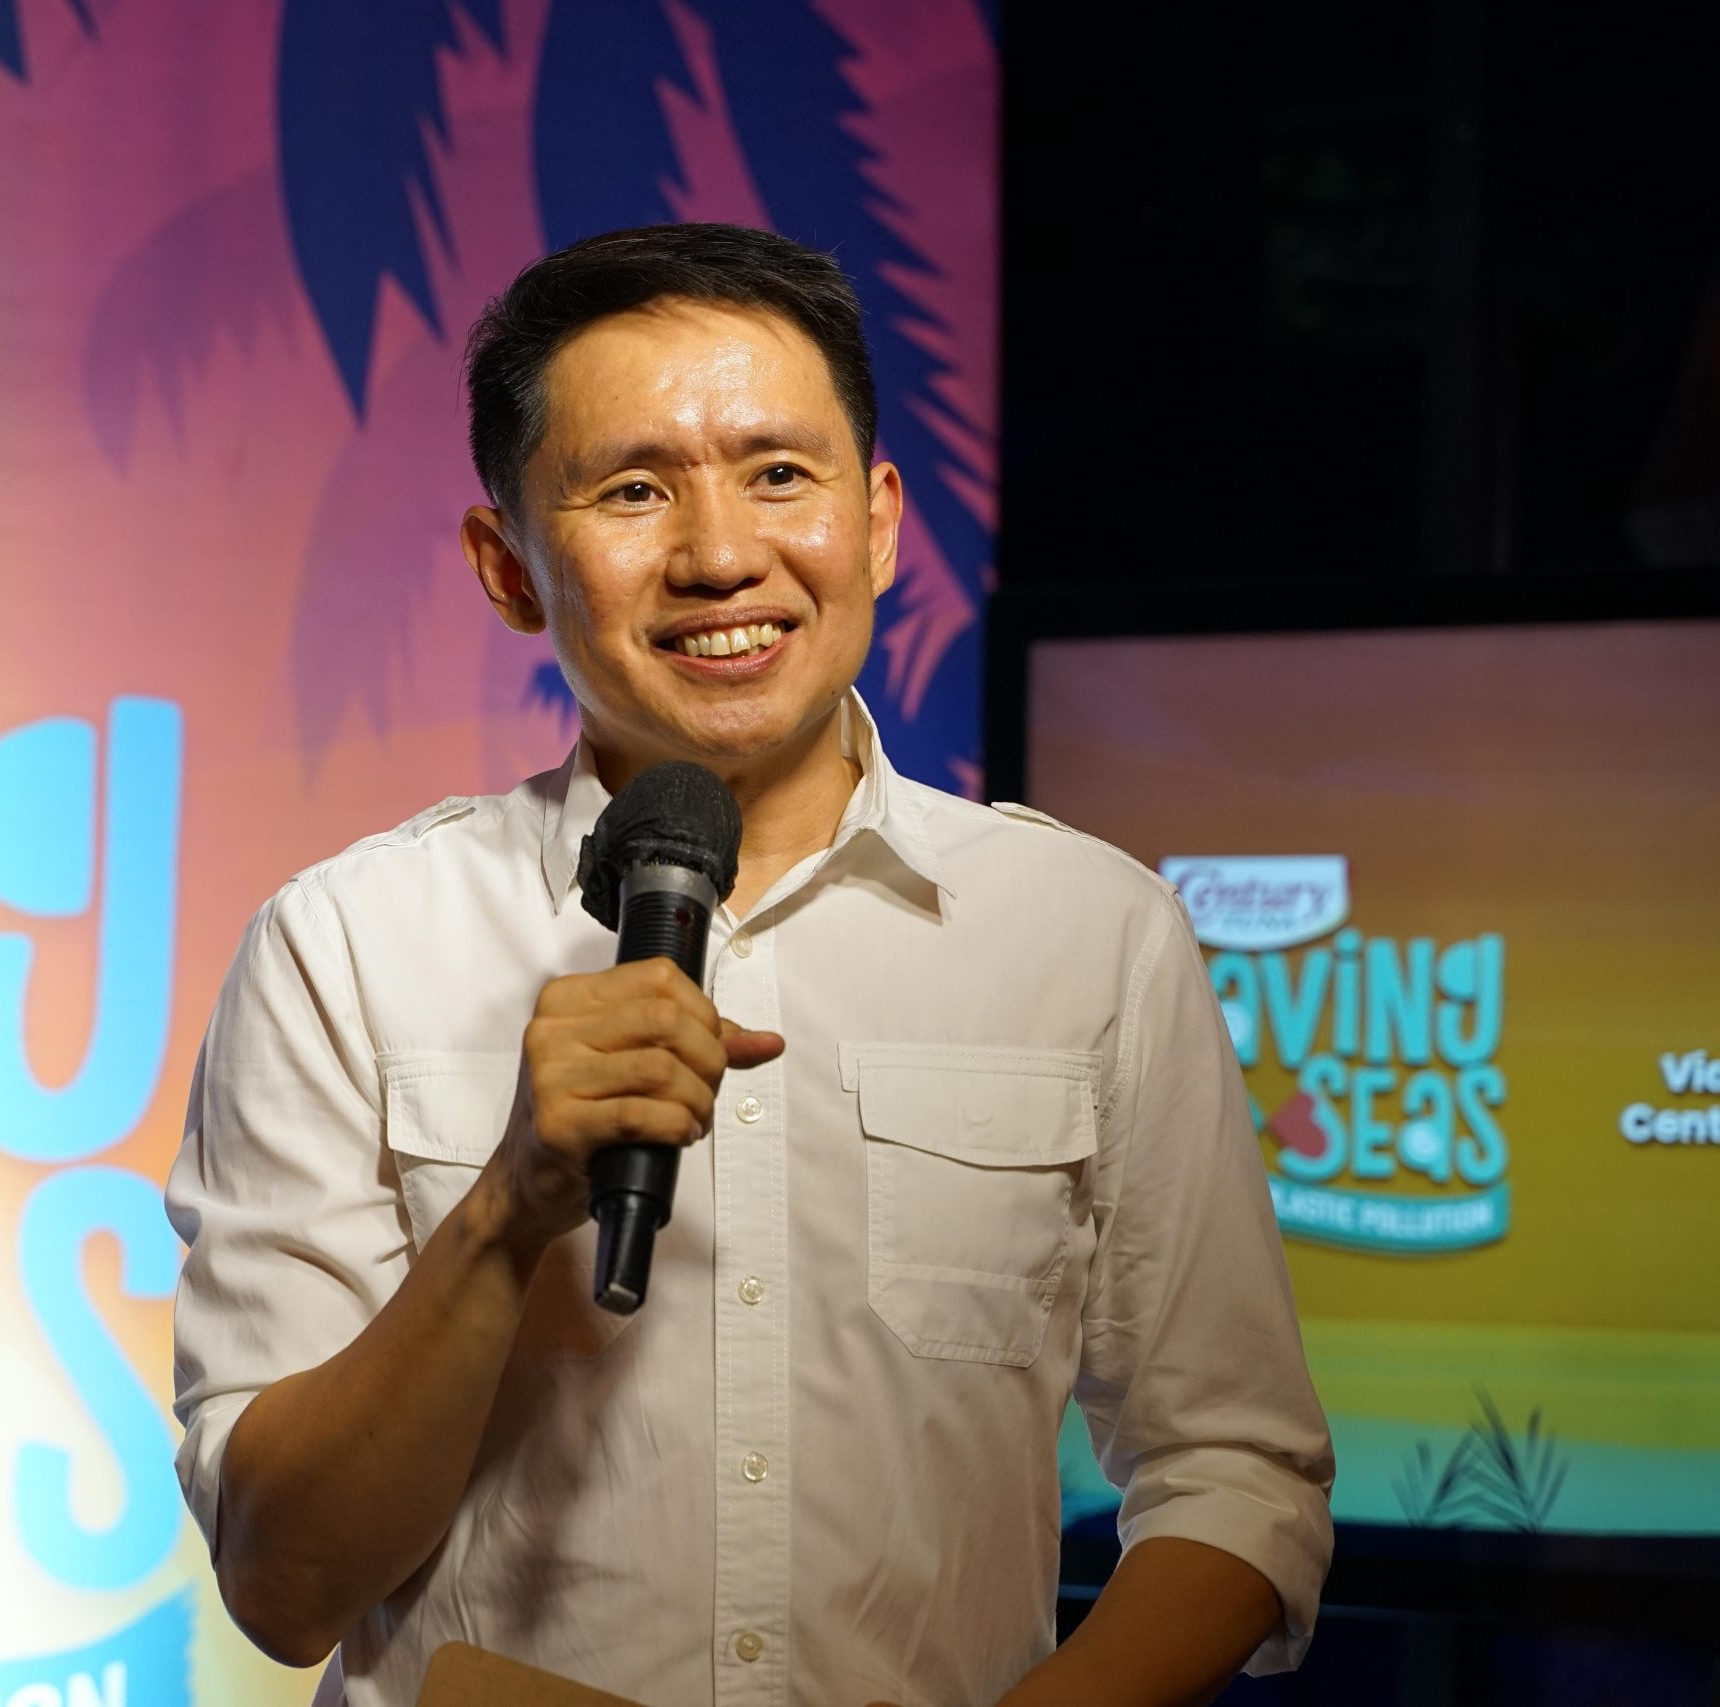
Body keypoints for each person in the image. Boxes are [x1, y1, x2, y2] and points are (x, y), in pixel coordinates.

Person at [165, 222, 1333, 1707]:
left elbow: (1235, 1472)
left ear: (880, 522)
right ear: (508, 567)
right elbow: (283, 1584)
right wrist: (509, 1209)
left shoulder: (1093, 931)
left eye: (780, 474)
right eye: (633, 490)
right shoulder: (343, 944)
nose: (721, 556)